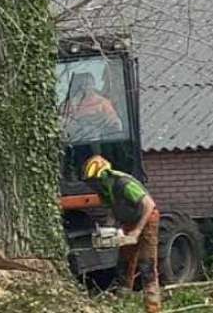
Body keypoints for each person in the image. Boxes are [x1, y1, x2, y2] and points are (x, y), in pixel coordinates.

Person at [83, 155, 162, 313]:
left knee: (146, 266)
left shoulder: (123, 183)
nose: (93, 186)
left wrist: (137, 232)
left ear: (103, 175)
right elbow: (112, 210)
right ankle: (122, 305)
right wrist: (108, 231)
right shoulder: (105, 190)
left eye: (95, 182)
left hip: (147, 220)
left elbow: (149, 204)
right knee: (124, 265)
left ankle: (153, 308)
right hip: (128, 222)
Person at [61, 73, 122, 141]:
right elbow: (63, 123)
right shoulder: (70, 104)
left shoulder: (103, 103)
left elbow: (116, 124)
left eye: (88, 84)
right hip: (75, 142)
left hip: (99, 141)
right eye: (82, 85)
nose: (85, 87)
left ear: (93, 85)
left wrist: (98, 122)